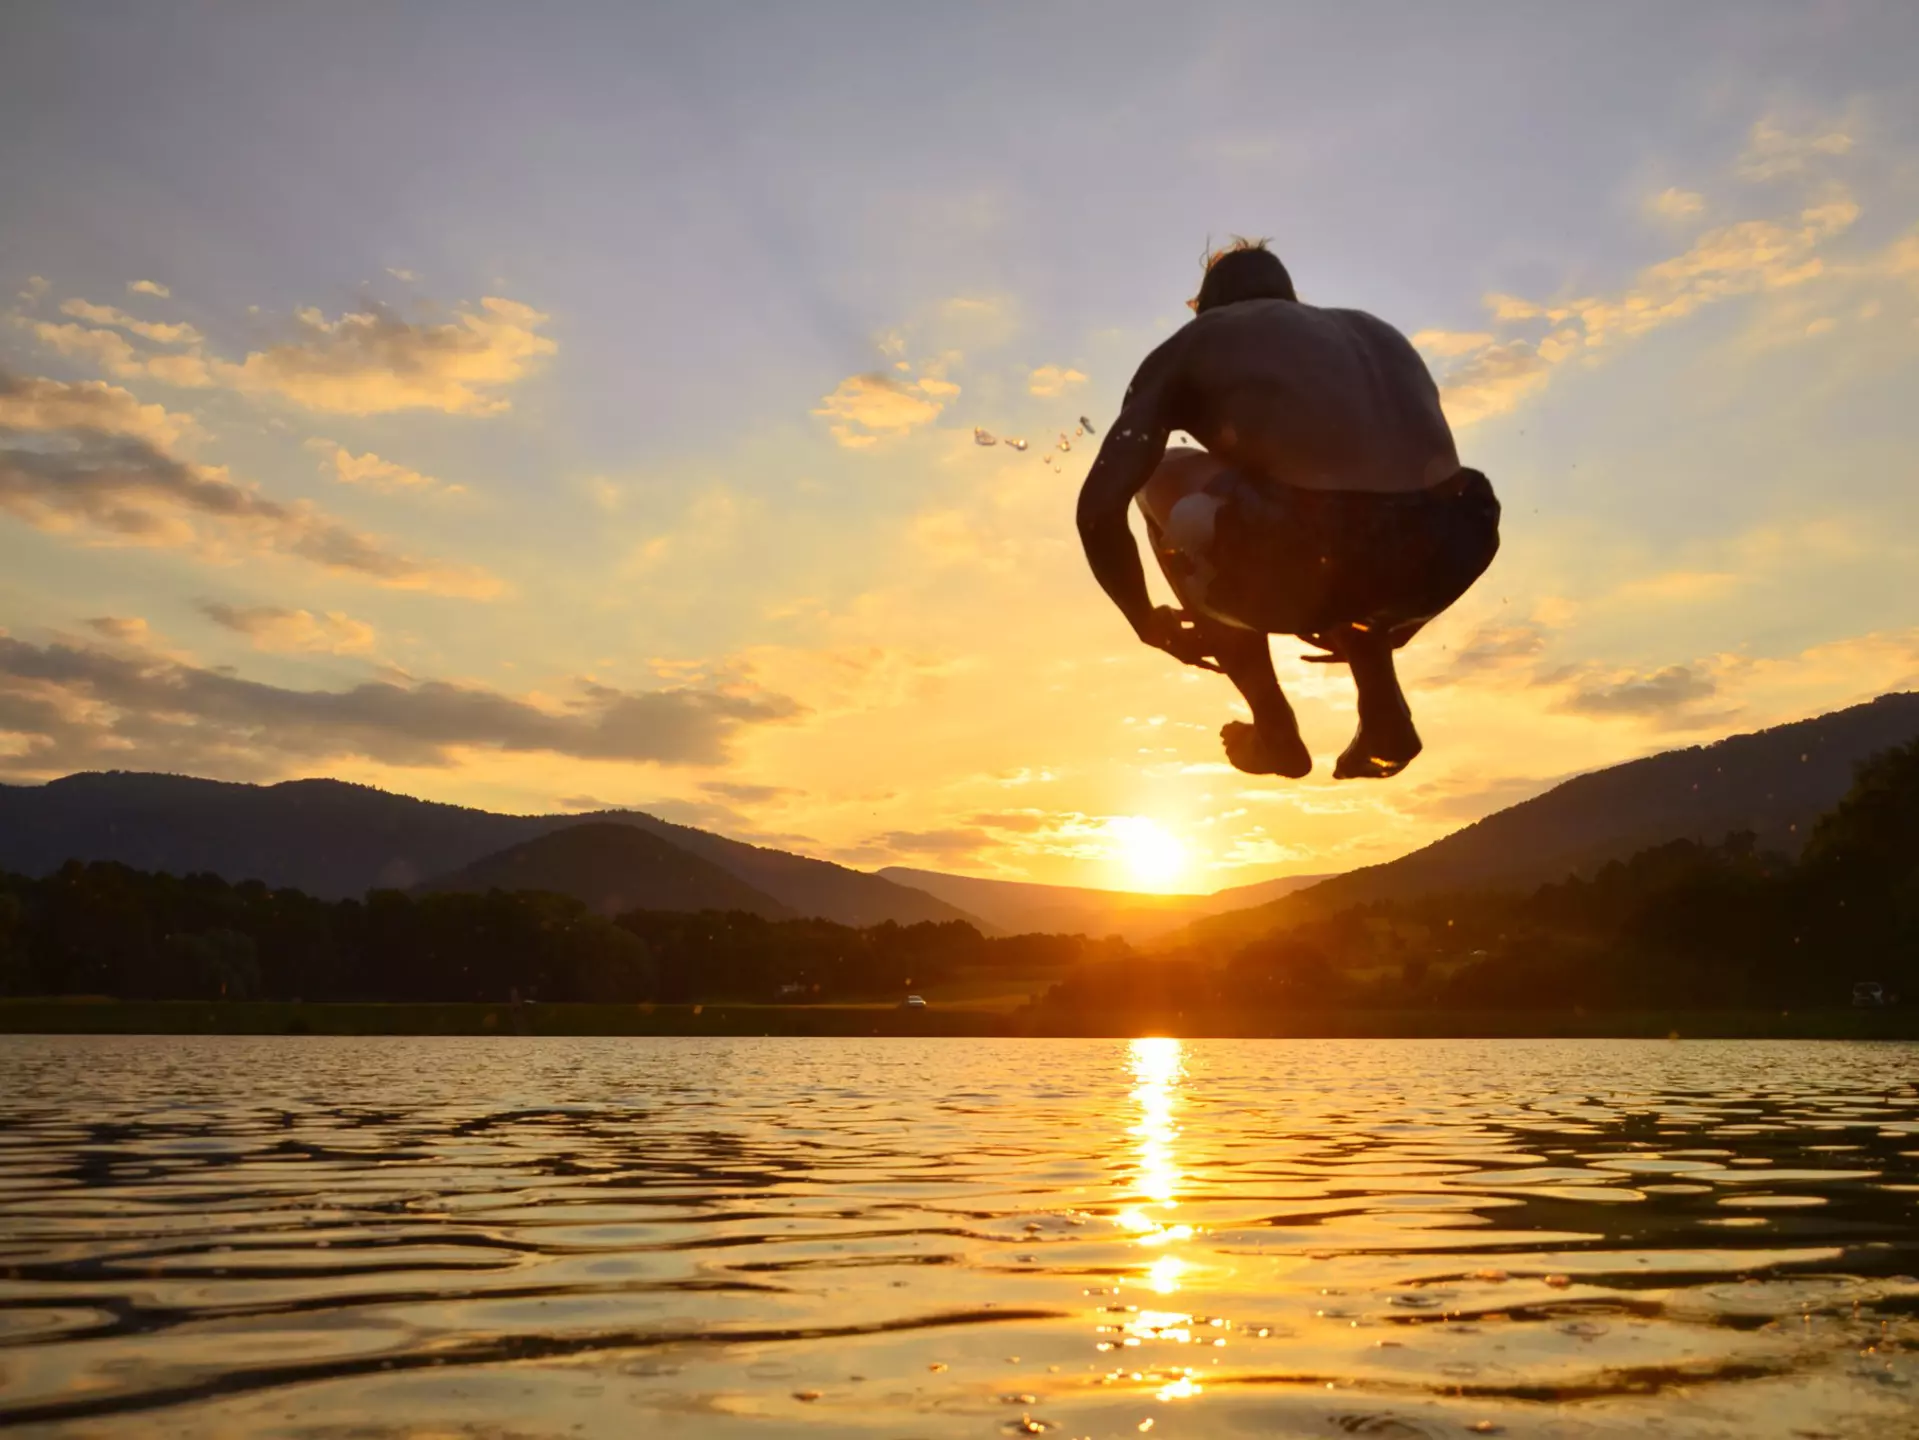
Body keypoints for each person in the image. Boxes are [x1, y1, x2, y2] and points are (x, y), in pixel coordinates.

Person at [1075, 239, 1500, 779]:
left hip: (1306, 544)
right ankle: (1382, 707)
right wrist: (1399, 617)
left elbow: (1098, 508)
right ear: (1291, 298)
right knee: (1338, 499)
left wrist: (1143, 619)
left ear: (1206, 306)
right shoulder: (1376, 334)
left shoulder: (1200, 340)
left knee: (1156, 473)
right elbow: (1394, 490)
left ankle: (1272, 725)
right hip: (1453, 543)